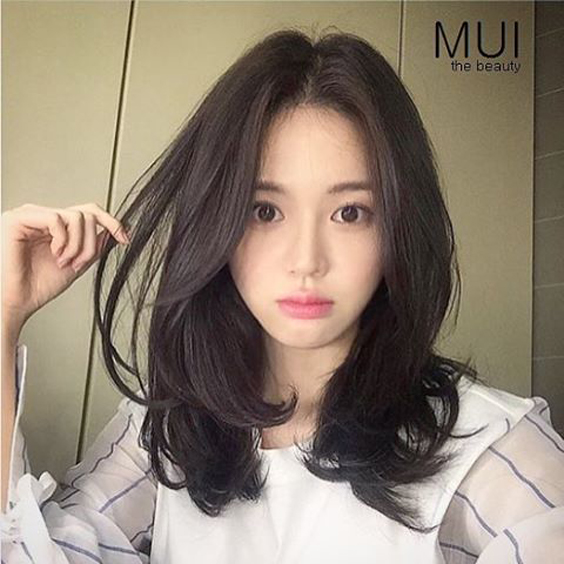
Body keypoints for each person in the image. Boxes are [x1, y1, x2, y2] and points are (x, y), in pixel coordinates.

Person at [1, 28, 563, 563]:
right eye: (265, 211)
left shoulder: (488, 450)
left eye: (350, 212)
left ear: (397, 227)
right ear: (217, 221)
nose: (306, 260)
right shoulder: (166, 430)